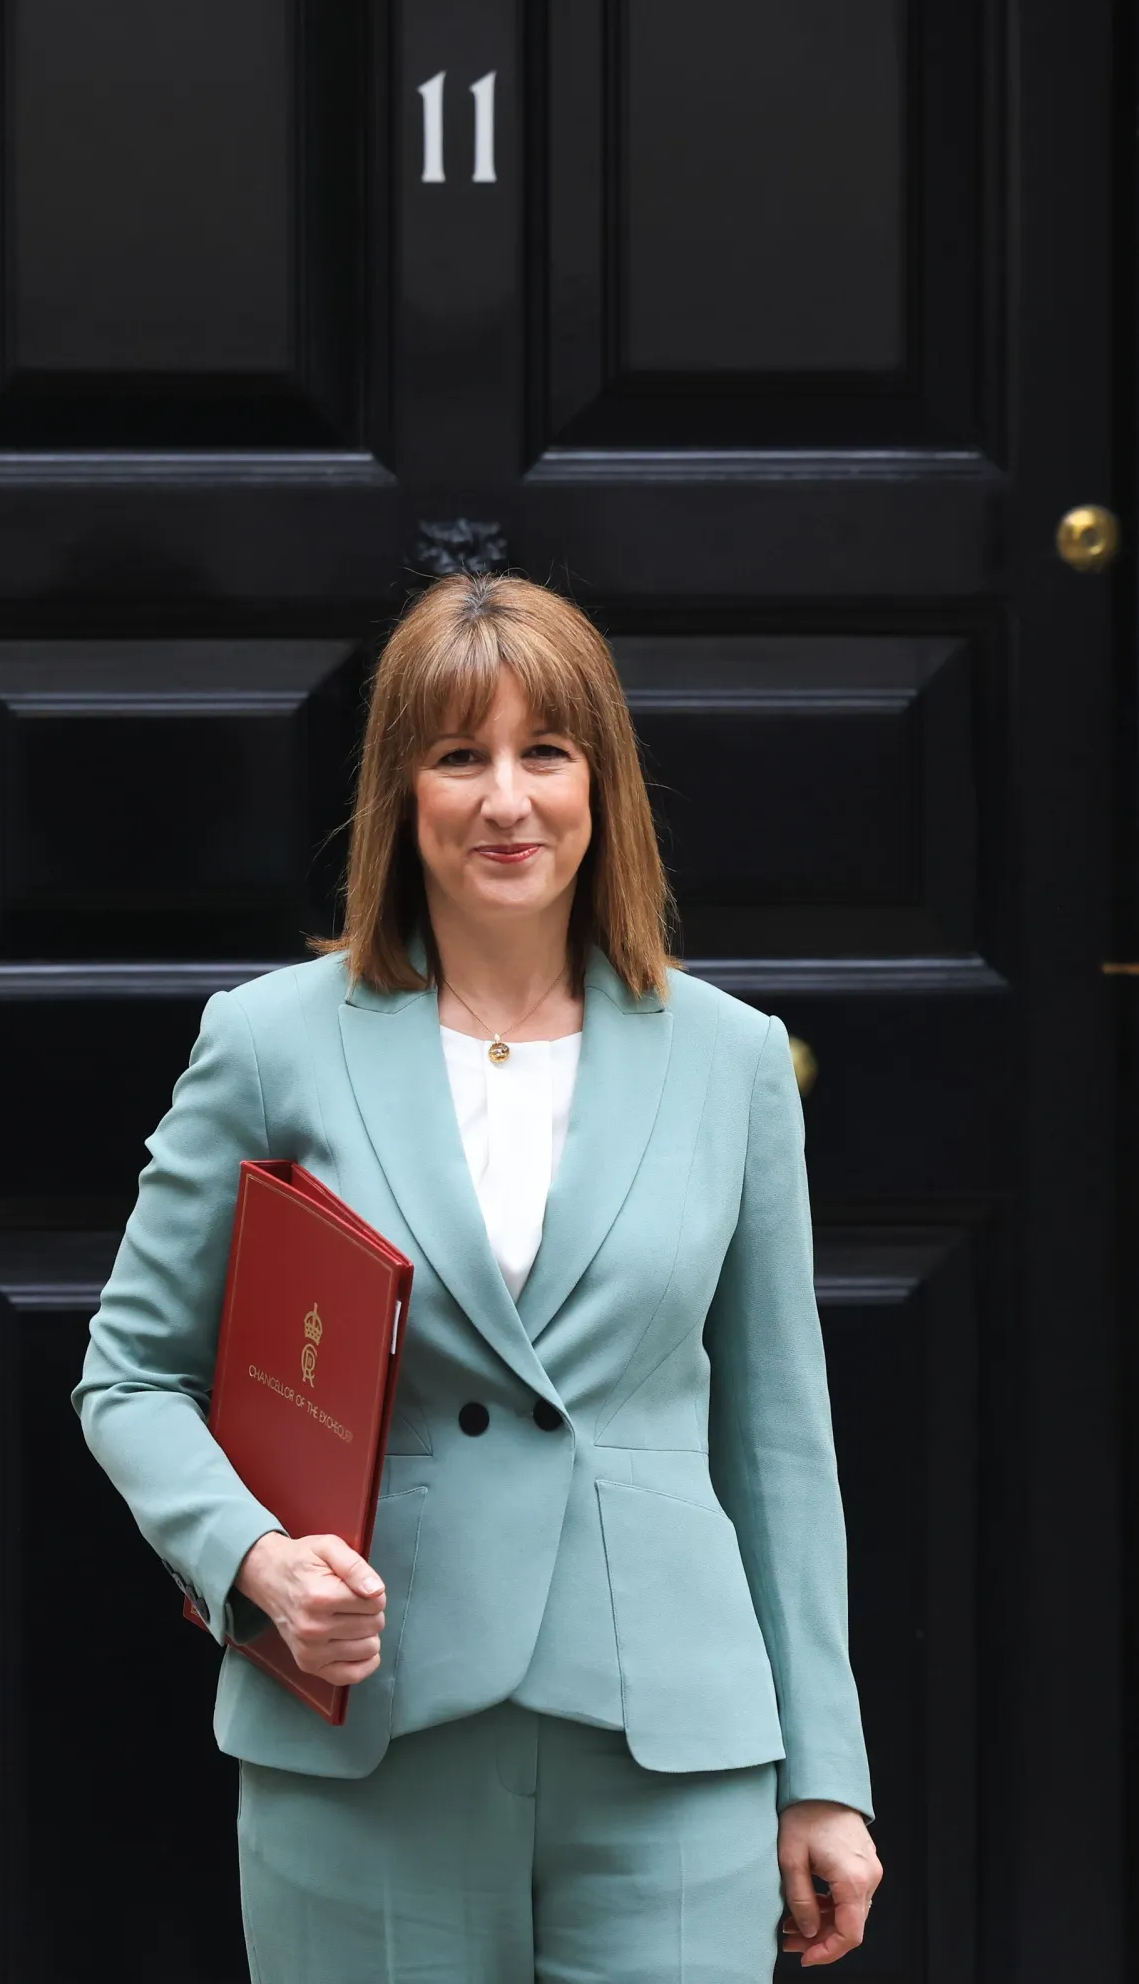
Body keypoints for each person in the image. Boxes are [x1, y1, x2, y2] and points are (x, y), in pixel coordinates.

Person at [72, 572, 883, 1982]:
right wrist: (249, 1557)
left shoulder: (732, 1057)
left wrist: (827, 1771)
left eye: (544, 753)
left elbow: (778, 1440)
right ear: (403, 791)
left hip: (671, 1751)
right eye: (460, 756)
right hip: (371, 1732)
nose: (506, 799)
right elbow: (131, 1371)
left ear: (600, 783)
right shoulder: (270, 1041)